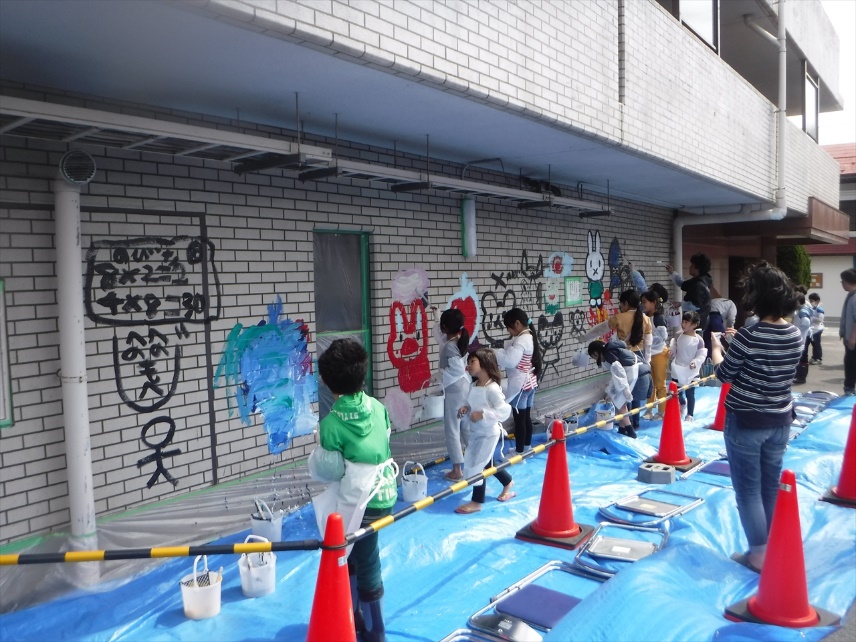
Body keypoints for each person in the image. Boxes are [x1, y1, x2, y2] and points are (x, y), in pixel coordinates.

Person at [709, 262, 802, 573]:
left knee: (748, 489)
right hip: (780, 420)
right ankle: (771, 548)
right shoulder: (795, 334)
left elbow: (724, 375)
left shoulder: (749, 336)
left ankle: (759, 556)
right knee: (770, 484)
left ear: (756, 297)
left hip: (747, 420)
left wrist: (717, 348)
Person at [308, 339, 397, 641]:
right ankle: (358, 617)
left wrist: (317, 451)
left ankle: (374, 630)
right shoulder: (378, 407)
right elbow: (384, 442)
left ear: (327, 381)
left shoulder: (331, 423)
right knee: (358, 550)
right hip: (385, 490)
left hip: (358, 499)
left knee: (361, 554)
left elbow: (331, 471)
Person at [454, 349, 515, 514]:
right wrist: (465, 408)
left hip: (488, 434)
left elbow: (503, 411)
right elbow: (469, 402)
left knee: (477, 466)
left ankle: (476, 502)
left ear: (485, 364)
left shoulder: (492, 389)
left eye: (472, 361)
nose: (469, 365)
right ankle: (507, 482)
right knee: (486, 463)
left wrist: (483, 414)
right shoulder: (474, 385)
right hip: (477, 432)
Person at [493, 308, 541, 455]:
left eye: (509, 328)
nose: (509, 332)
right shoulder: (529, 336)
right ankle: (526, 447)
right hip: (530, 383)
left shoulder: (521, 340)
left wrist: (496, 352)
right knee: (525, 417)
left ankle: (520, 452)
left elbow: (510, 360)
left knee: (519, 419)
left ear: (517, 323)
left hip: (522, 385)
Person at [434, 309, 471, 481]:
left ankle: (457, 470)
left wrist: (442, 376)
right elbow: (440, 337)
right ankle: (479, 462)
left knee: (453, 429)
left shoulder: (450, 346)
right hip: (464, 388)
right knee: (465, 427)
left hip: (455, 390)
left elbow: (456, 368)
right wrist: (437, 316)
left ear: (444, 327)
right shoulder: (457, 341)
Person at [587, 339, 640, 438]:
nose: (595, 359)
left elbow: (619, 371)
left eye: (593, 356)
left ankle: (631, 432)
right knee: (620, 402)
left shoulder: (608, 354)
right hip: (628, 373)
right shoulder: (609, 352)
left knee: (619, 403)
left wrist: (625, 389)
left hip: (629, 374)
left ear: (596, 352)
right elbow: (616, 374)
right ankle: (622, 429)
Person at [669, 311, 707, 422]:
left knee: (690, 393)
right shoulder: (678, 335)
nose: (683, 324)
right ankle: (681, 403)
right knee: (677, 391)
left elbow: (701, 353)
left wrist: (695, 362)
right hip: (677, 367)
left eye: (687, 322)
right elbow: (674, 345)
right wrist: (671, 351)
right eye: (683, 322)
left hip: (691, 370)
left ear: (695, 325)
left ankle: (690, 414)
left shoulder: (698, 340)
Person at [641, 287, 670, 420]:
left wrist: (650, 340)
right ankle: (649, 410)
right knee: (649, 384)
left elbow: (663, 336)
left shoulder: (658, 318)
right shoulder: (645, 317)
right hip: (648, 354)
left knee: (660, 383)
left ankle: (662, 411)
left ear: (653, 303)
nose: (643, 304)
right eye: (642, 302)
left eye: (645, 302)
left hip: (659, 353)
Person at [665, 253, 713, 331]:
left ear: (697, 268)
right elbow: (683, 284)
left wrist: (680, 304)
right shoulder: (698, 280)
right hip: (696, 322)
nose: (689, 267)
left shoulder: (699, 285)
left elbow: (696, 305)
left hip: (696, 323)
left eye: (692, 265)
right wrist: (672, 273)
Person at [841, 268, 856, 396]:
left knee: (851, 365)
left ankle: (850, 390)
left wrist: (852, 338)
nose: (842, 284)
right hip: (850, 339)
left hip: (854, 340)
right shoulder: (851, 295)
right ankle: (849, 389)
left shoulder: (855, 296)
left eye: (842, 281)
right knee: (849, 364)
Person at [792, 288, 812, 385]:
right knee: (802, 356)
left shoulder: (803, 311)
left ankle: (801, 377)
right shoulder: (801, 309)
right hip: (803, 336)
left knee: (802, 356)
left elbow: (805, 323)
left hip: (803, 337)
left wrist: (800, 334)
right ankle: (799, 375)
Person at [807, 292, 825, 365]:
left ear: (817, 301)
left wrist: (812, 318)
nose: (811, 302)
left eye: (812, 301)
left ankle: (818, 358)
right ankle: (814, 357)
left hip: (817, 329)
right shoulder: (811, 308)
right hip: (812, 329)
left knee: (817, 344)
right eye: (810, 301)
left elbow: (820, 319)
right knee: (813, 344)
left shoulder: (819, 309)